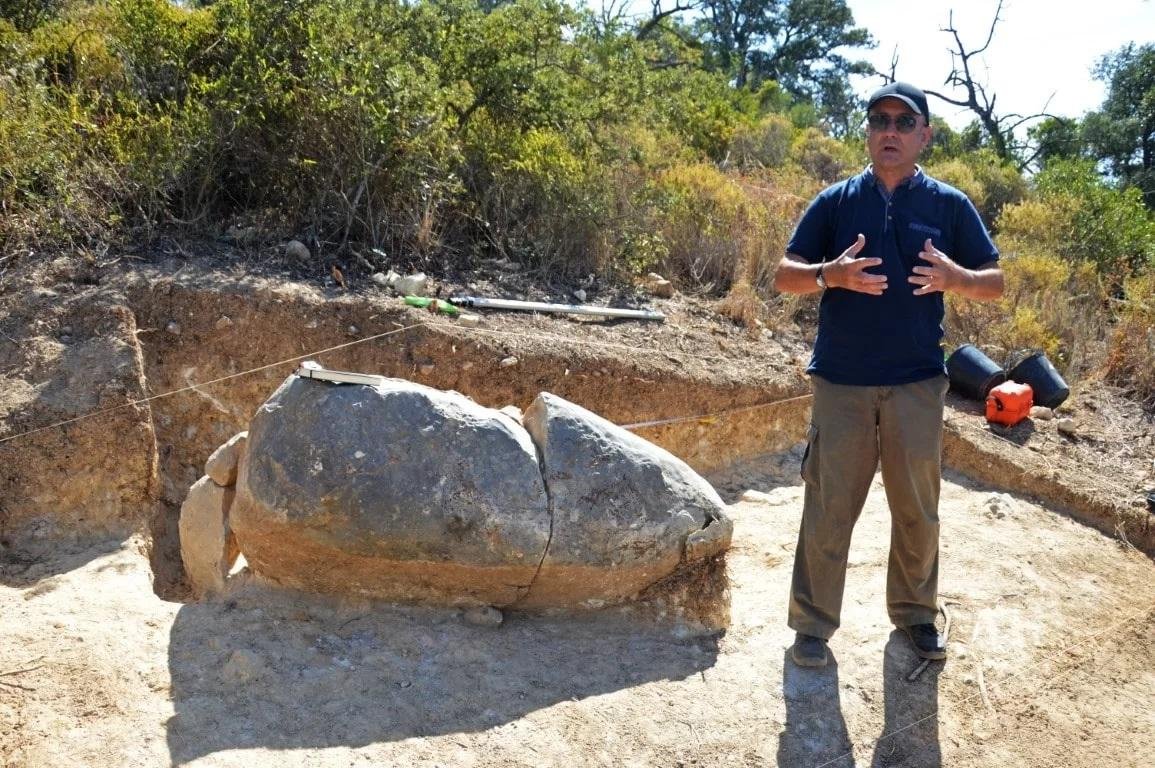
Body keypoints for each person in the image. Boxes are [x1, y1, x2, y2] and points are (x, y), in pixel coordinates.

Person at [772, 82, 1004, 668]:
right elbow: (783, 275)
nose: (891, 130)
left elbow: (995, 282)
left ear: (924, 134)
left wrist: (958, 278)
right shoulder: (834, 202)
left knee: (917, 509)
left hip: (917, 383)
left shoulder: (950, 205)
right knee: (828, 506)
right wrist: (830, 275)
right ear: (869, 132)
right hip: (841, 382)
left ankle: (916, 616)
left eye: (905, 121)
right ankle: (812, 626)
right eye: (880, 120)